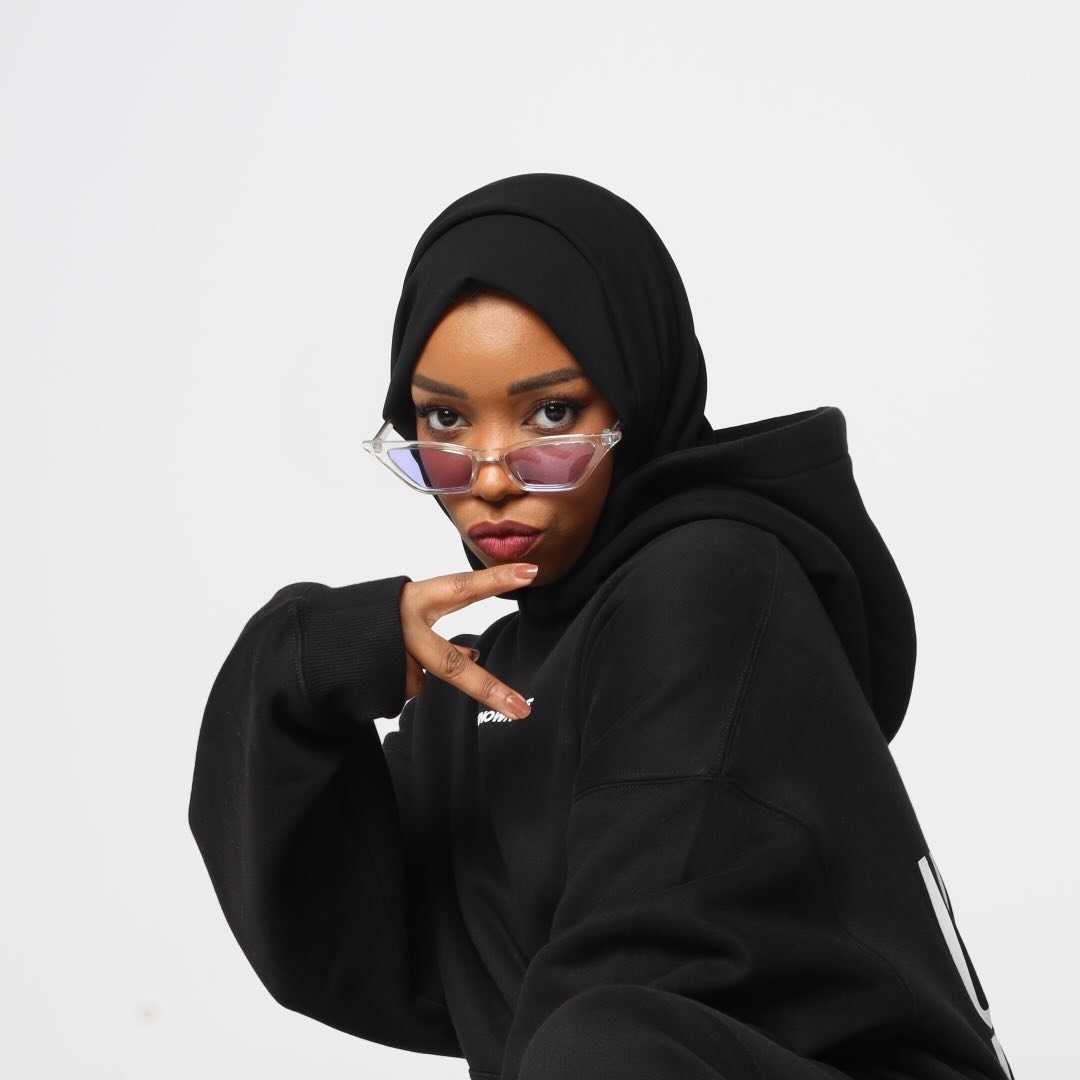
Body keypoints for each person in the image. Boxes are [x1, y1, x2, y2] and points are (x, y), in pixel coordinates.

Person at [188, 173, 1014, 1080]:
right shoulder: (489, 686)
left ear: (635, 399)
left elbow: (630, 999)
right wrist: (314, 655)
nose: (490, 477)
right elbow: (357, 952)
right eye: (445, 420)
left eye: (551, 414)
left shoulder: (710, 583)